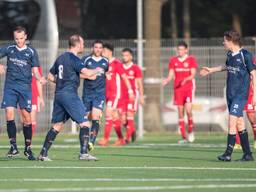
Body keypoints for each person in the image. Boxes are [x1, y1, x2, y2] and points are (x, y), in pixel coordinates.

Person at [38, 35, 102, 161]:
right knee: (85, 123)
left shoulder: (60, 58)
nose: (83, 46)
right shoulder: (74, 59)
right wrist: (99, 69)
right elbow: (88, 72)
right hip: (69, 95)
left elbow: (50, 77)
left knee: (57, 125)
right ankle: (84, 153)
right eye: (82, 44)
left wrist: (62, 81)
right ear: (77, 44)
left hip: (59, 95)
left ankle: (43, 154)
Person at [200, 30, 256, 161]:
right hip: (230, 94)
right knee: (240, 124)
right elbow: (226, 66)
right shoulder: (230, 54)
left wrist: (254, 96)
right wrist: (211, 70)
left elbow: (254, 74)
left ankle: (228, 153)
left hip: (240, 94)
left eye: (225, 40)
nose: (223, 42)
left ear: (231, 41)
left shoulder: (245, 55)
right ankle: (248, 154)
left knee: (232, 121)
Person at [0, 26, 46, 160]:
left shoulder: (31, 52)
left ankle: (27, 148)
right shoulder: (9, 49)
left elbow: (36, 71)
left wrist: (39, 78)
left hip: (25, 89)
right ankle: (13, 146)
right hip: (10, 87)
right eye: (16, 39)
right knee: (9, 113)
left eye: (21, 38)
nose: (19, 41)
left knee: (27, 118)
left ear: (25, 37)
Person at [98, 43, 134, 146]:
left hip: (115, 94)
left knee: (108, 113)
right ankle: (121, 138)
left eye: (103, 51)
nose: (102, 53)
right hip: (106, 94)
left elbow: (124, 78)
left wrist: (130, 91)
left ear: (109, 52)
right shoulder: (104, 64)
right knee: (114, 116)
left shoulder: (117, 63)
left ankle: (105, 139)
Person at [162, 41, 198, 143]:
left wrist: (186, 80)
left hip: (188, 88)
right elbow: (170, 75)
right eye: (178, 50)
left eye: (182, 49)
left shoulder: (191, 59)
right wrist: (166, 80)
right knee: (180, 112)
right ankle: (183, 137)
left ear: (186, 50)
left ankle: (190, 131)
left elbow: (193, 74)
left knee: (188, 110)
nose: (180, 51)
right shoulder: (173, 60)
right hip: (178, 89)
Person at [81, 40, 109, 151]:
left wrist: (108, 75)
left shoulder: (105, 61)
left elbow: (107, 73)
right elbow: (79, 73)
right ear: (93, 48)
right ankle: (87, 138)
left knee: (95, 117)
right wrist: (88, 76)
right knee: (87, 119)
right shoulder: (86, 60)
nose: (98, 49)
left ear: (102, 49)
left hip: (99, 94)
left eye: (100, 48)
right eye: (96, 47)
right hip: (87, 94)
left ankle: (91, 142)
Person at [120, 48, 144, 143]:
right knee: (123, 120)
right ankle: (132, 131)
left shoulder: (135, 68)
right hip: (121, 96)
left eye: (126, 55)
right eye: (123, 55)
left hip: (132, 95)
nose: (124, 57)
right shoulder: (120, 67)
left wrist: (141, 96)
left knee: (130, 116)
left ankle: (127, 138)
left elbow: (139, 83)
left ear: (131, 56)